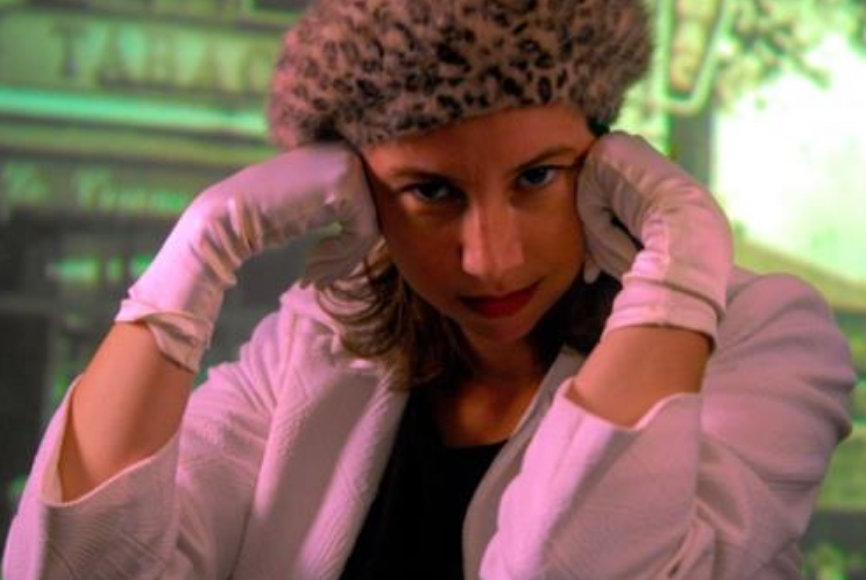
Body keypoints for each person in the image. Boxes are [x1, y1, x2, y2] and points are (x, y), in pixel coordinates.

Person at [2, 0, 857, 578]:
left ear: (609, 164)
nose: (491, 259)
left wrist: (683, 255)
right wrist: (197, 250)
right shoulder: (315, 339)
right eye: (432, 191)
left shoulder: (760, 336)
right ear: (358, 194)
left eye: (538, 176)